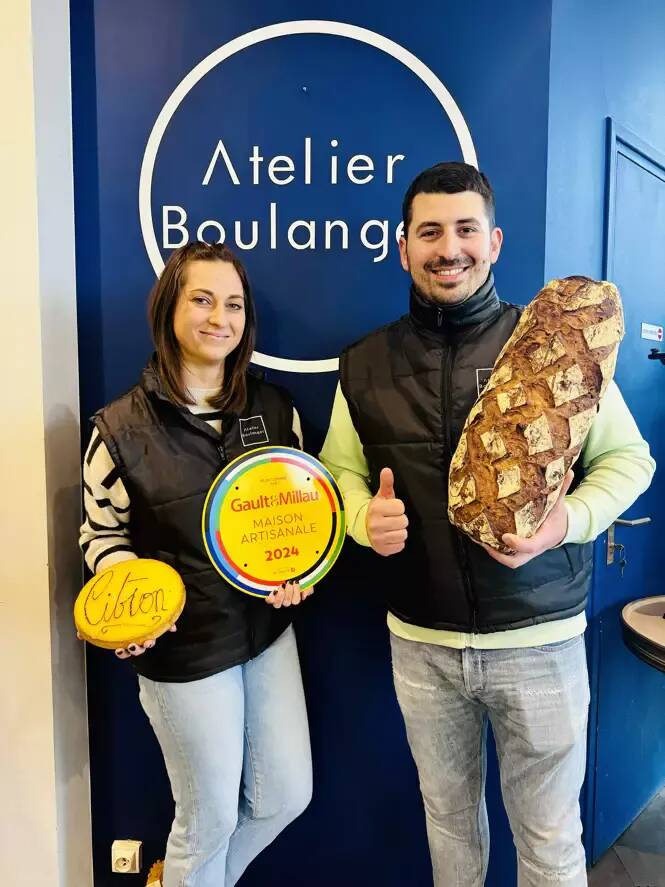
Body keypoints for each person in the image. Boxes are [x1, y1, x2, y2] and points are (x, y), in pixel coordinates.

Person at [319, 162, 655, 887]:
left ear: (494, 242)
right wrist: (361, 520)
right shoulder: (364, 364)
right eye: (430, 232)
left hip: (540, 640)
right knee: (448, 825)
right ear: (402, 247)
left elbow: (630, 460)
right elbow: (338, 475)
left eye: (466, 229)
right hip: (422, 645)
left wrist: (567, 520)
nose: (449, 248)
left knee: (549, 840)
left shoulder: (551, 343)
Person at [79, 241, 313, 887]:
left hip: (266, 633)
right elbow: (101, 534)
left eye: (233, 304)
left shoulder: (276, 410)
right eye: (202, 299)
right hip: (183, 649)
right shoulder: (118, 428)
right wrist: (126, 603)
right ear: (169, 309)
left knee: (285, 796)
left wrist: (298, 573)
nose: (219, 317)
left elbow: (305, 517)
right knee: (207, 819)